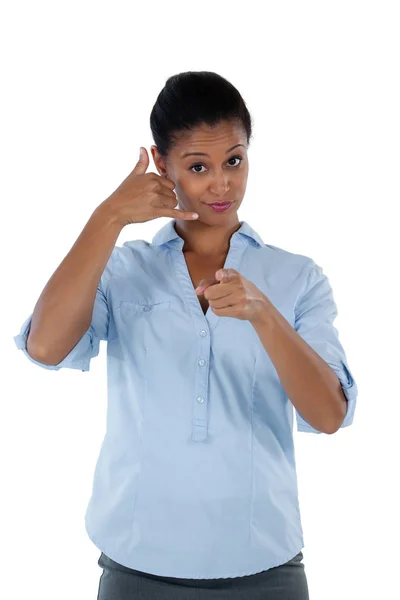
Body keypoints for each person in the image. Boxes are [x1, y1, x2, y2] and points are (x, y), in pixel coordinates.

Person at [14, 71, 358, 599]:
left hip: (265, 565)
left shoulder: (297, 277)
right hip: (136, 565)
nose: (221, 184)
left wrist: (264, 315)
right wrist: (107, 218)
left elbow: (329, 416)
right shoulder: (121, 270)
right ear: (162, 163)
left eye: (234, 161)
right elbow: (45, 347)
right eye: (198, 167)